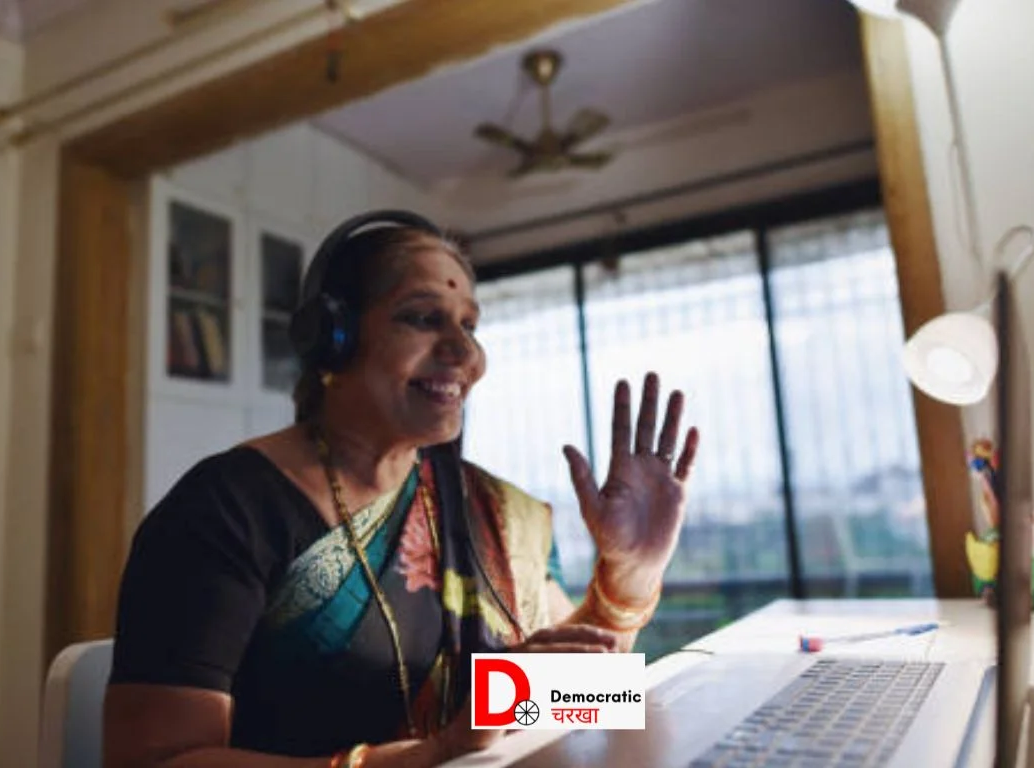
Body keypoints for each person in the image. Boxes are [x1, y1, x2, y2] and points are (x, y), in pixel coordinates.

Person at [103, 211, 700, 768]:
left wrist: (630, 574)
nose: (465, 352)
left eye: (469, 325)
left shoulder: (492, 511)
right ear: (333, 338)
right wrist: (433, 752)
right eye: (422, 318)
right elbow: (151, 760)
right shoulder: (225, 510)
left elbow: (585, 694)